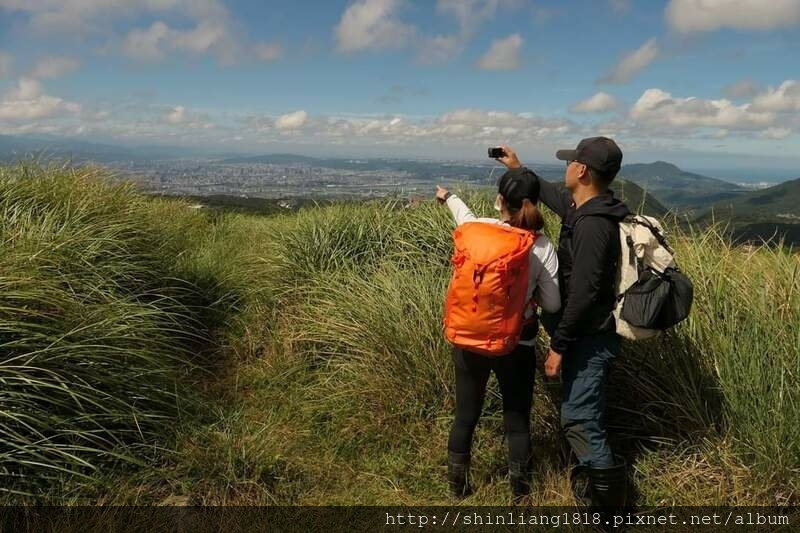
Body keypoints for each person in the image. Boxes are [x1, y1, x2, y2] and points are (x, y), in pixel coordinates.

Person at [494, 138, 630, 509]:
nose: (567, 166)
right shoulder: (586, 207)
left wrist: (557, 347)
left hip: (588, 338)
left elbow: (584, 296)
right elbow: (553, 195)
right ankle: (592, 484)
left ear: (582, 170)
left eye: (572, 162)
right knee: (582, 413)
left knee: (580, 419)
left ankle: (609, 512)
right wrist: (518, 169)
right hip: (582, 336)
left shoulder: (593, 226)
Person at [435, 170, 560, 503]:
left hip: (469, 338)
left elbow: (465, 217)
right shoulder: (541, 245)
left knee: (465, 415)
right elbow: (553, 303)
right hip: (517, 343)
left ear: (499, 201)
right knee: (517, 419)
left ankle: (457, 490)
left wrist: (448, 197)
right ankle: (520, 496)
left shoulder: (478, 231)